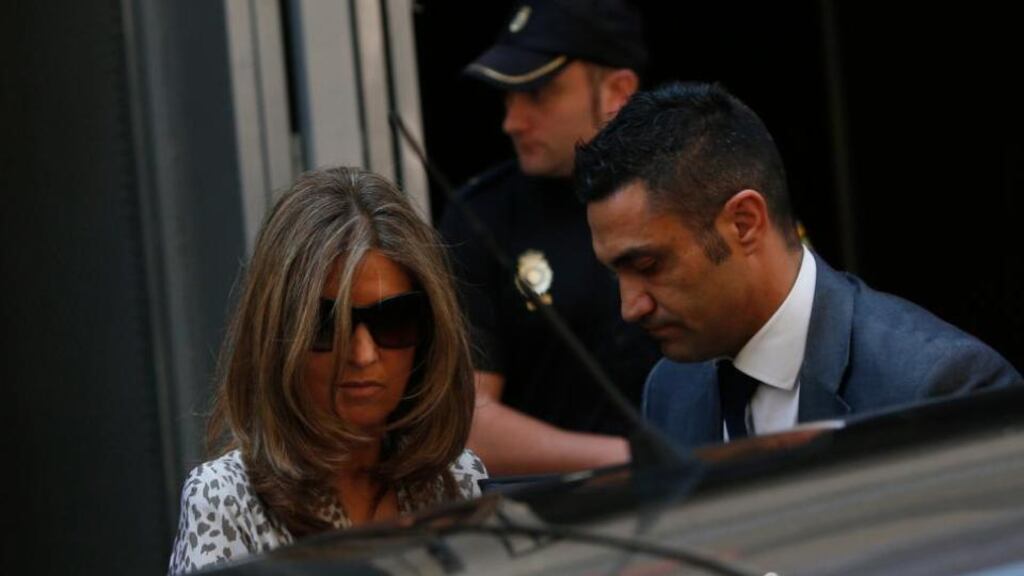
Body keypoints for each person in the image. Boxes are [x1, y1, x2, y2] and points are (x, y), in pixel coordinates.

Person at [575, 81, 1022, 449]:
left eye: (649, 264)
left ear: (744, 223)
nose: (630, 307)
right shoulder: (671, 389)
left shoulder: (938, 386)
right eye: (617, 273)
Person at [168, 168, 487, 574]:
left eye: (394, 320)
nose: (364, 354)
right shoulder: (225, 498)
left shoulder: (457, 478)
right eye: (326, 325)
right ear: (279, 335)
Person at [439, 0, 660, 475]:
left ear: (617, 91)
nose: (512, 121)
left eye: (538, 93)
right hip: (560, 522)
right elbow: (465, 423)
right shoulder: (481, 216)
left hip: (723, 503)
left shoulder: (690, 192)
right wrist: (631, 461)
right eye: (508, 97)